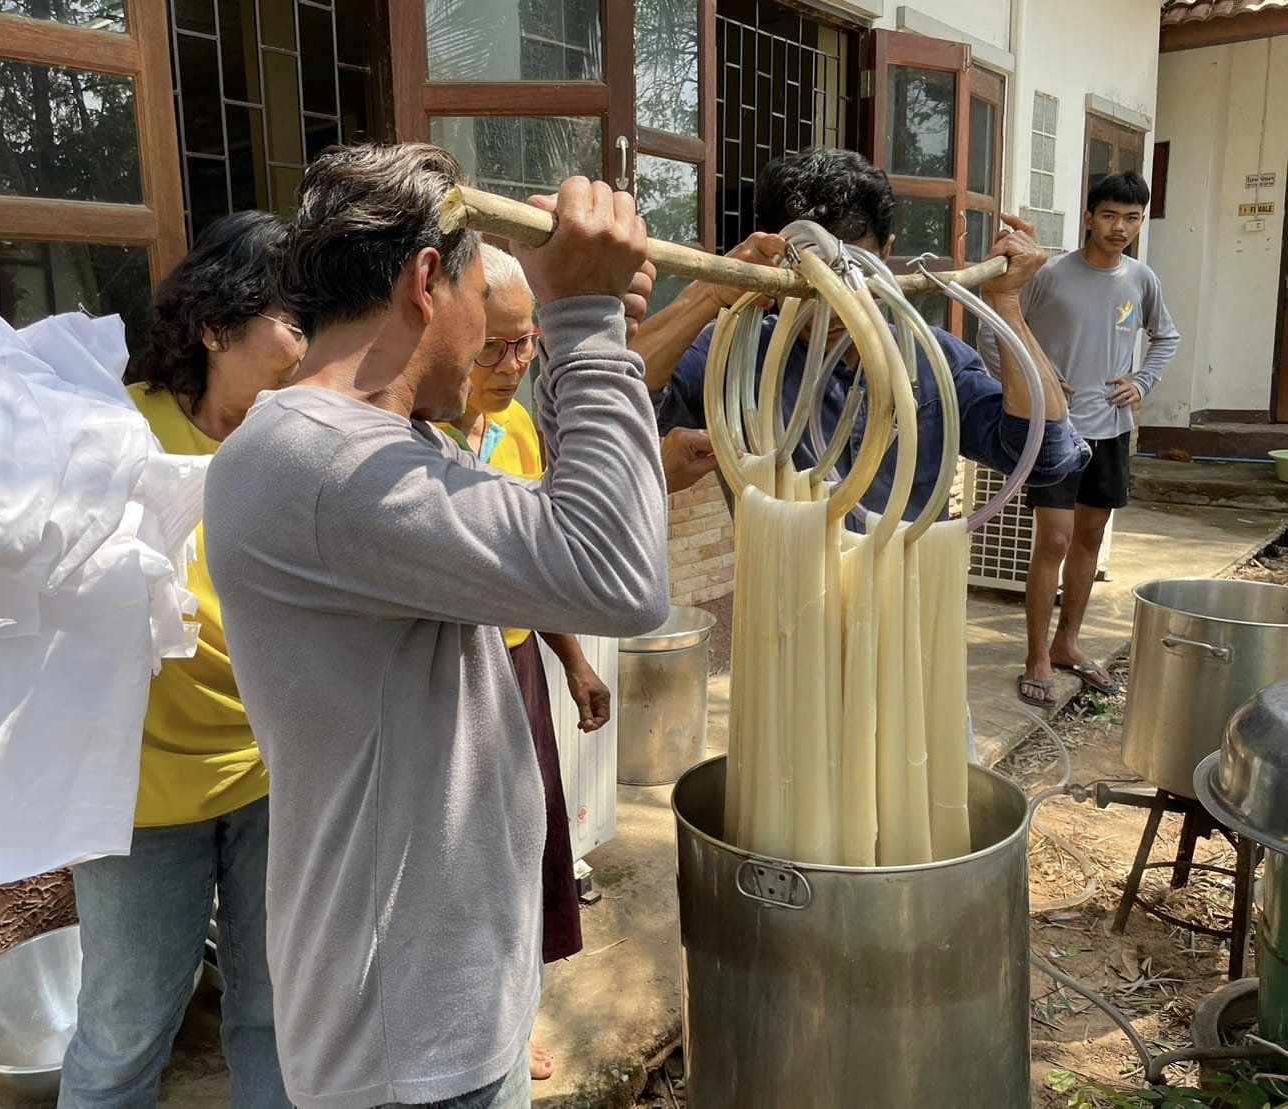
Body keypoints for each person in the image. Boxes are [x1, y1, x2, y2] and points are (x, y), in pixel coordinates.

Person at [204, 144, 668, 1109]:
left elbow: (550, 533)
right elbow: (619, 577)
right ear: (425, 281)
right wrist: (584, 324)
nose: (499, 342)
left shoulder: (370, 446)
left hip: (437, 1003)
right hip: (408, 1044)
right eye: (484, 311)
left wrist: (594, 331)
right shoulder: (331, 466)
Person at [59, 210, 299, 1109]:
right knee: (126, 1032)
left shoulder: (296, 446)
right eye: (292, 320)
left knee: (276, 1011)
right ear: (215, 325)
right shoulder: (118, 432)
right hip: (138, 796)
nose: (310, 347)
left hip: (271, 776)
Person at [633, 147, 1088, 524]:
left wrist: (1006, 303)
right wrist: (708, 293)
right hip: (786, 611)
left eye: (852, 271)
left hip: (907, 613)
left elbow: (1044, 455)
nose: (833, 302)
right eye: (810, 275)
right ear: (773, 254)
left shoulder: (931, 360)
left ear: (885, 256)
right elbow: (623, 400)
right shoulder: (736, 355)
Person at [435, 243, 612, 1082]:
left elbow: (540, 561)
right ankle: (474, 1023)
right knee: (463, 853)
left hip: (516, 666)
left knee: (529, 842)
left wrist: (572, 661)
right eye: (491, 347)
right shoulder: (418, 435)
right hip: (447, 677)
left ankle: (516, 1015)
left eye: (525, 344)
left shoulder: (516, 428)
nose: (511, 365)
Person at [981, 171, 1180, 708]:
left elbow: (1168, 337)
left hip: (1111, 433)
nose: (1121, 227)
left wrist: (1141, 382)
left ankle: (1068, 642)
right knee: (1055, 541)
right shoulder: (1051, 274)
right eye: (1110, 215)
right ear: (1088, 217)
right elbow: (991, 328)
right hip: (1054, 431)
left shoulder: (1141, 280)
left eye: (1132, 217)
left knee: (1090, 540)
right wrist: (1028, 380)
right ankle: (1036, 656)